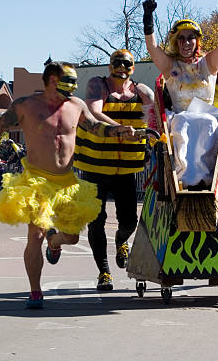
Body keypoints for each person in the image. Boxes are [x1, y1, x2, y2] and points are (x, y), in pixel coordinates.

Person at [0, 62, 137, 308]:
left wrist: (118, 130)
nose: (74, 86)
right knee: (35, 234)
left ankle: (55, 242)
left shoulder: (76, 106)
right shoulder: (26, 105)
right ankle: (35, 292)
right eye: (69, 80)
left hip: (67, 181)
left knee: (71, 236)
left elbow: (95, 126)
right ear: (51, 80)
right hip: (36, 180)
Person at [74, 49, 154, 291]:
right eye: (116, 63)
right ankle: (104, 272)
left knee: (130, 220)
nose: (121, 67)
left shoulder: (141, 91)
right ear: (110, 65)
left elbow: (156, 116)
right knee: (96, 222)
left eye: (126, 63)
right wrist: (120, 128)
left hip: (125, 169)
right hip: (95, 166)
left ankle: (121, 241)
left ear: (133, 67)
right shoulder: (98, 85)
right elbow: (94, 111)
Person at [142, 0, 218, 188]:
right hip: (179, 119)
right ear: (176, 42)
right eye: (182, 38)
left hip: (209, 120)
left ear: (197, 41)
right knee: (183, 121)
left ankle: (209, 178)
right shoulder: (171, 66)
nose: (186, 43)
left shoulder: (208, 64)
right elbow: (152, 48)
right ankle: (183, 178)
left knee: (209, 122)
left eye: (191, 37)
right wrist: (148, 19)